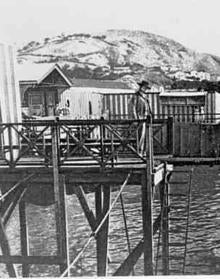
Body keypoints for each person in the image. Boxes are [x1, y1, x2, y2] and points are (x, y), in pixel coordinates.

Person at [130, 80, 151, 156]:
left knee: (145, 136)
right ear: (141, 87)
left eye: (146, 88)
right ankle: (139, 152)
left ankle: (144, 151)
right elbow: (133, 108)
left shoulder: (145, 97)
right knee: (140, 136)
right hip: (139, 119)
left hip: (145, 118)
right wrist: (135, 119)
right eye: (144, 87)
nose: (145, 89)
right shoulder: (136, 96)